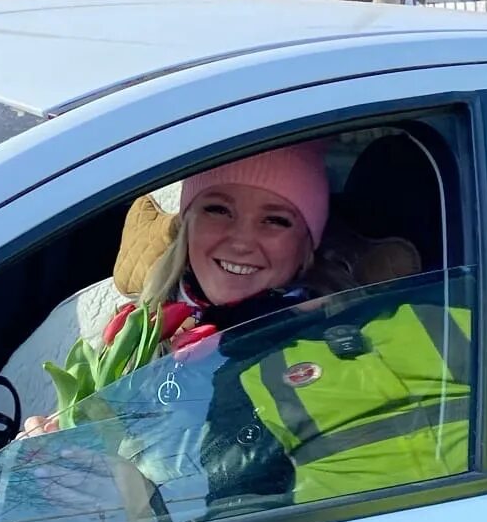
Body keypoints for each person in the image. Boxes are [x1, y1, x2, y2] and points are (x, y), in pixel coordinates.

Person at [20, 141, 334, 436]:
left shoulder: (321, 345)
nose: (240, 241)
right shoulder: (144, 325)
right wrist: (52, 445)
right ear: (188, 223)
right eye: (218, 210)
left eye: (276, 220)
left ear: (307, 245)